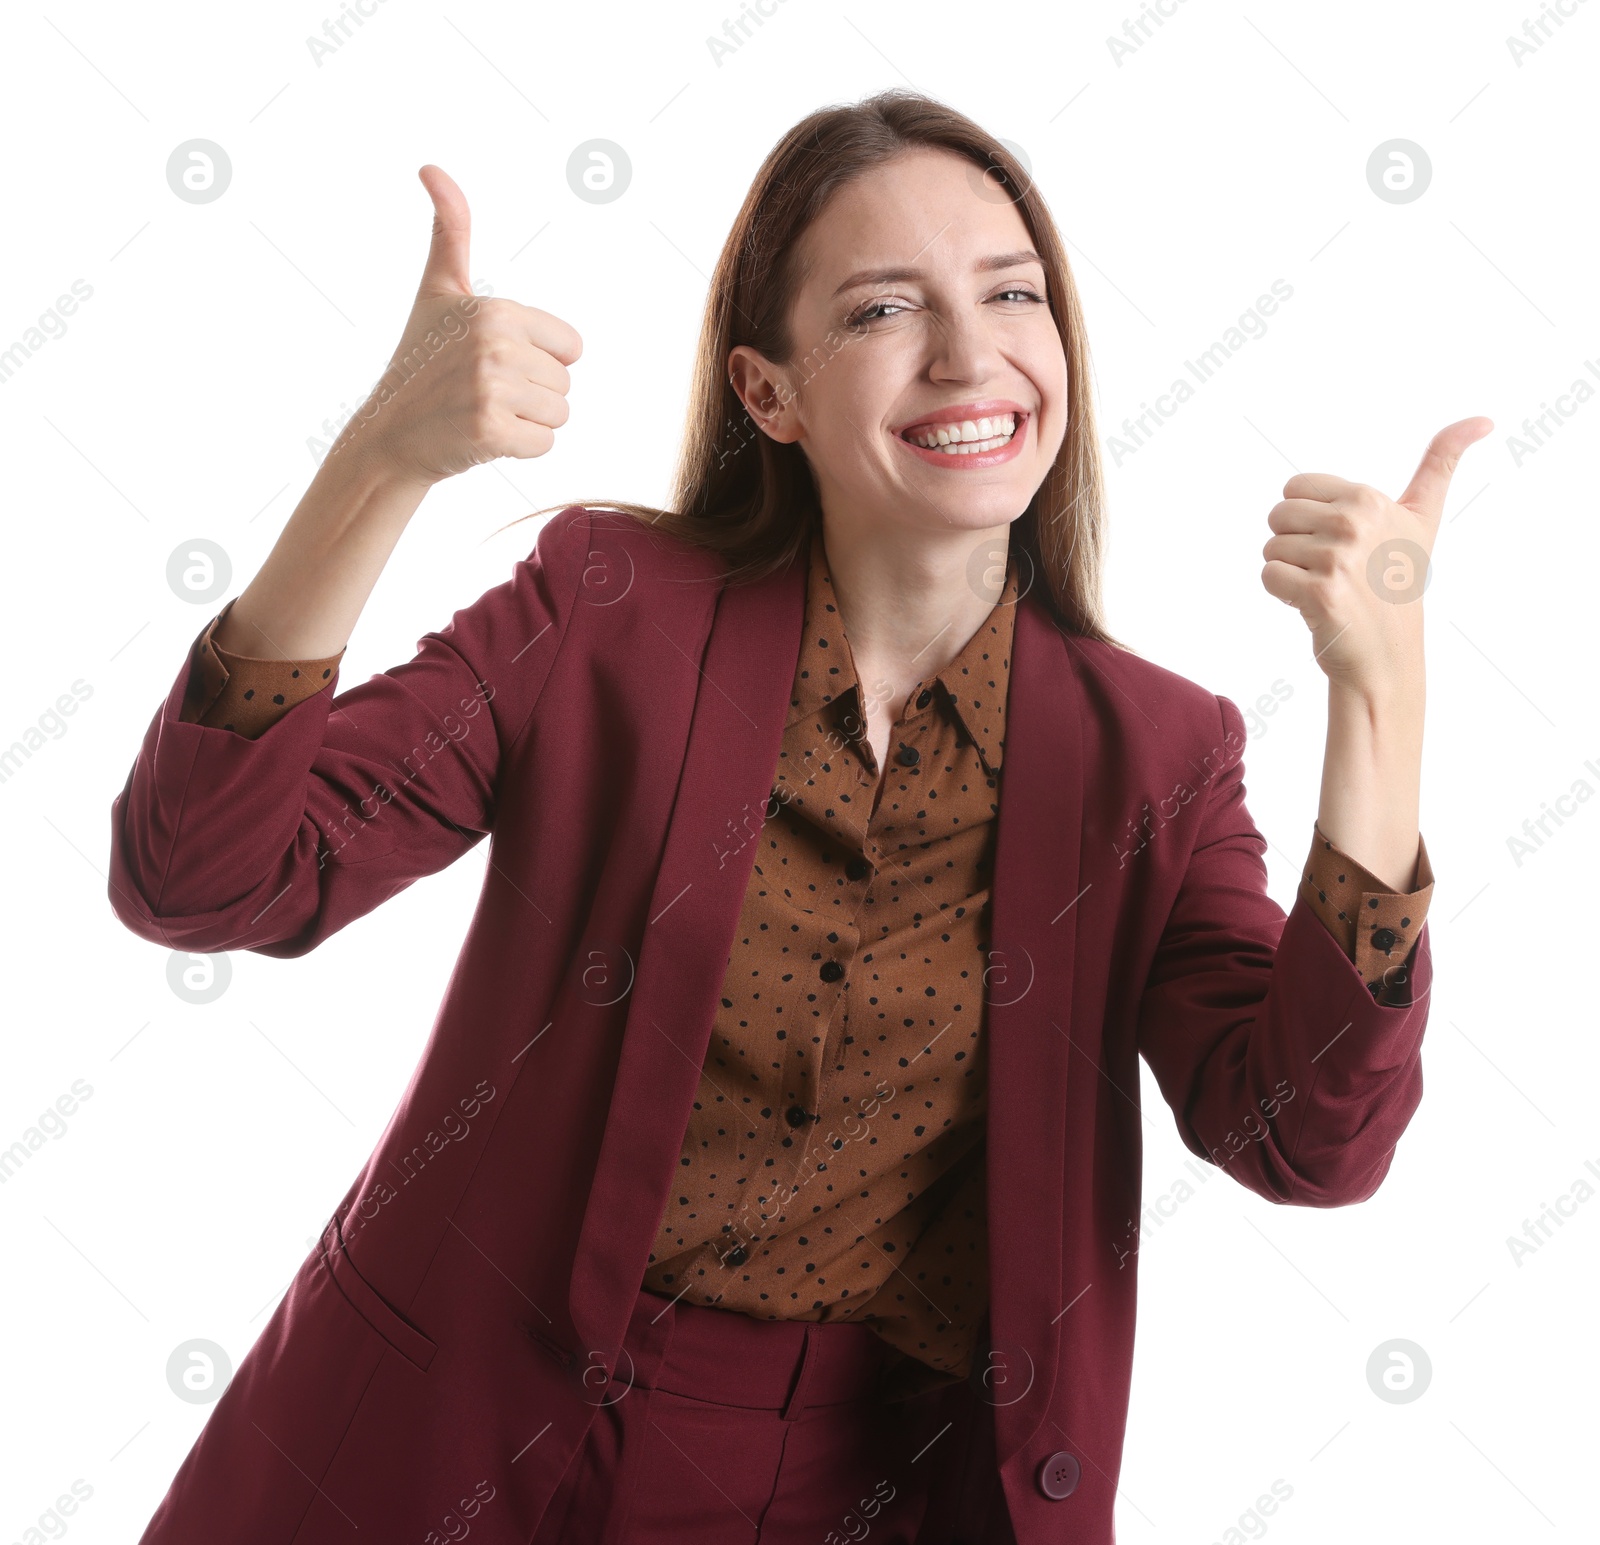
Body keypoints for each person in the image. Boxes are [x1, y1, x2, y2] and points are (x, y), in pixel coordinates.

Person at [107, 89, 1483, 1545]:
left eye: (1011, 292)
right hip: (437, 1435)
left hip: (840, 1484)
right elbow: (205, 878)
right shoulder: (604, 609)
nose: (971, 355)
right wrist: (381, 457)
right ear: (769, 395)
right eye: (888, 307)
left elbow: (1308, 1137)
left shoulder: (1160, 754)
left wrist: (1379, 693)